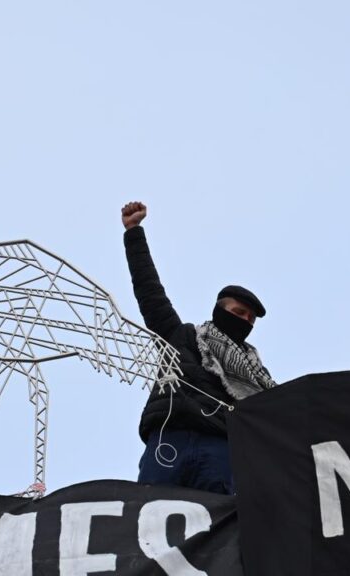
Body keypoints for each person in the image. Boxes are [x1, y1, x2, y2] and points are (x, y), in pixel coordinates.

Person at [121, 201, 276, 494]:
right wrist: (134, 232)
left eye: (250, 319)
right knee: (150, 517)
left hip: (222, 449)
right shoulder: (182, 337)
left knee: (216, 530)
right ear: (219, 310)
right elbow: (150, 293)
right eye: (238, 312)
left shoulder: (255, 373)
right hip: (170, 440)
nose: (245, 321)